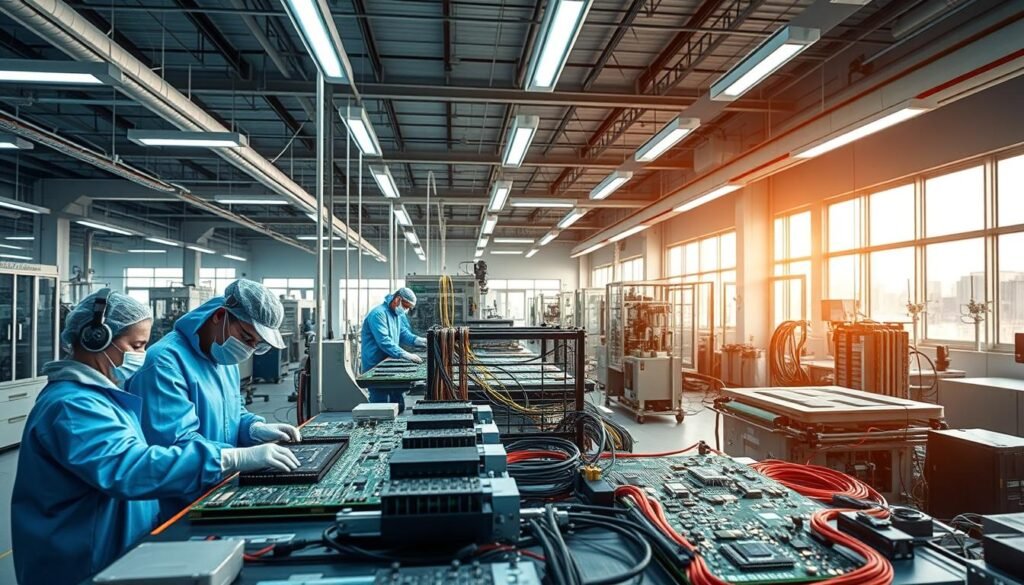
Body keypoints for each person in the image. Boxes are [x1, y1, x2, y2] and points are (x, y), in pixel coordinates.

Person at [12, 290, 300, 585]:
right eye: (137, 345)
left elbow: (231, 412)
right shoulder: (72, 407)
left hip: (119, 552)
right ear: (96, 338)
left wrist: (251, 429)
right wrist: (232, 457)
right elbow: (131, 467)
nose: (141, 354)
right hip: (83, 563)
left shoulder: (103, 398)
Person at [129, 279, 302, 518]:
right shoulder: (165, 362)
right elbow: (173, 444)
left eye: (257, 344)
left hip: (219, 490)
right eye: (245, 336)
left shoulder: (223, 358)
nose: (249, 348)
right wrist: (238, 457)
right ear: (220, 316)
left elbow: (233, 412)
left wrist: (253, 428)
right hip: (182, 506)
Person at [360, 288, 427, 410]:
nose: (406, 310)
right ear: (398, 299)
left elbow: (404, 334)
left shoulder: (397, 315)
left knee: (398, 404)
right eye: (406, 307)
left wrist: (419, 340)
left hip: (391, 364)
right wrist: (406, 355)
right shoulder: (378, 314)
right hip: (376, 367)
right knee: (380, 407)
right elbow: (384, 342)